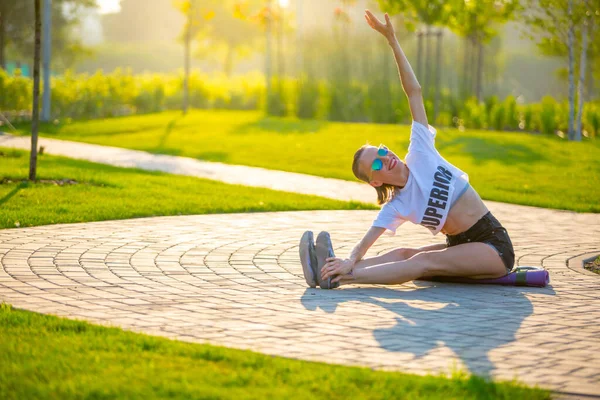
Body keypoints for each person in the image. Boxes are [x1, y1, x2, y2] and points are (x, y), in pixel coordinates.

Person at [299, 10, 515, 290]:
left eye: (382, 151)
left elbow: (414, 92)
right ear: (376, 181)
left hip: (492, 246)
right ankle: (331, 267)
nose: (384, 158)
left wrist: (392, 41)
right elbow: (368, 239)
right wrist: (350, 257)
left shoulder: (421, 151)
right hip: (460, 245)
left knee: (421, 263)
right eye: (375, 164)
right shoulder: (398, 204)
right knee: (405, 254)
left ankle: (338, 276)